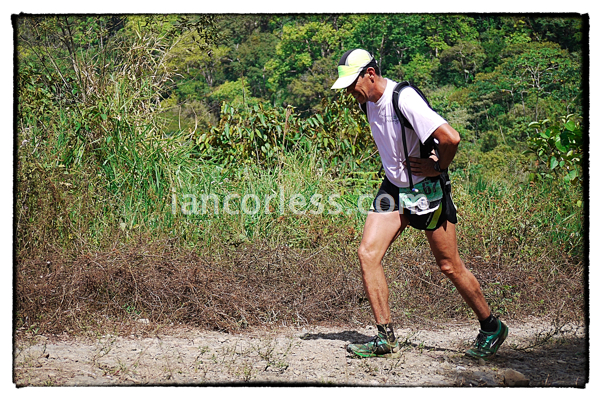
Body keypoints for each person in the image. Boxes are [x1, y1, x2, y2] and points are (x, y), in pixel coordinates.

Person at [331, 49, 508, 359]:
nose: (348, 92)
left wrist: (438, 167)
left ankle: (492, 326)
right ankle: (385, 337)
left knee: (449, 266)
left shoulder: (404, 99)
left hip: (425, 190)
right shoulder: (366, 102)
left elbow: (450, 137)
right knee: (368, 253)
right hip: (394, 189)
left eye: (351, 84)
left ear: (370, 74)